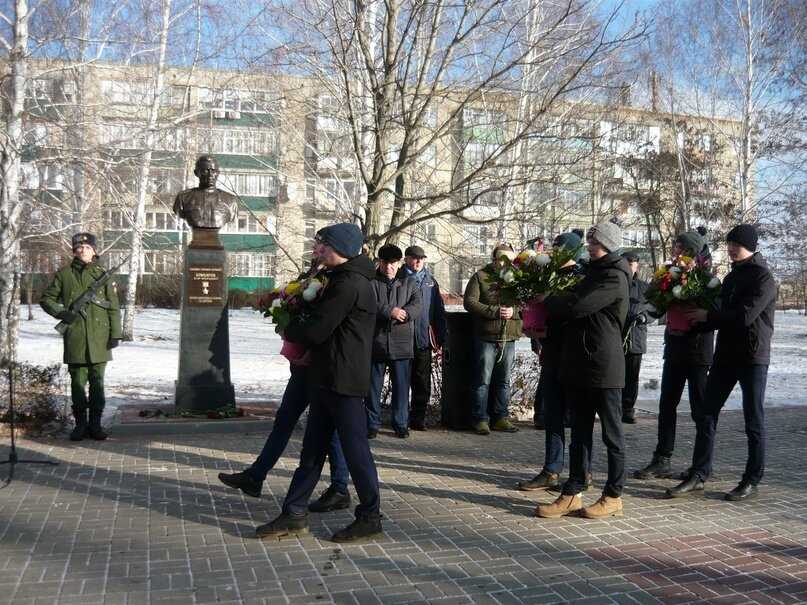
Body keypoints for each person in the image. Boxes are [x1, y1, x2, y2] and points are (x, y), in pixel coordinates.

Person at [255, 222, 383, 542]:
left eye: (322, 244)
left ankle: (370, 516)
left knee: (356, 451)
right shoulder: (339, 279)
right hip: (326, 376)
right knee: (312, 450)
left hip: (343, 380)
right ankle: (294, 513)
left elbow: (315, 331)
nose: (317, 249)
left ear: (338, 248)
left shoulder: (349, 284)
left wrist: (288, 324)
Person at [218, 240, 352, 514]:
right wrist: (281, 307)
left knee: (331, 428)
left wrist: (307, 345)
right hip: (304, 366)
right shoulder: (312, 277)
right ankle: (255, 476)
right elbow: (295, 303)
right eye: (316, 247)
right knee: (285, 420)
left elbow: (326, 326)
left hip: (322, 366)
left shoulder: (337, 281)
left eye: (321, 247)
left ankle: (340, 488)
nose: (316, 251)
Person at [666, 224, 776, 502]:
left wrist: (706, 317)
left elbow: (743, 317)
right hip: (726, 355)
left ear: (749, 246)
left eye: (734, 244)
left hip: (752, 357)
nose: (729, 249)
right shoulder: (730, 277)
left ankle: (752, 479)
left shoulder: (763, 279)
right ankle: (699, 473)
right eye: (728, 244)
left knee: (753, 419)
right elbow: (715, 314)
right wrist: (690, 323)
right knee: (706, 413)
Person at [535, 221, 631, 519]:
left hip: (604, 367)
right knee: (579, 432)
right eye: (589, 241)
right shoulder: (591, 271)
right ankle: (572, 492)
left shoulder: (614, 277)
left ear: (607, 245)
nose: (588, 246)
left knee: (612, 435)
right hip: (579, 363)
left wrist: (546, 299)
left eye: (593, 242)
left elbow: (577, 306)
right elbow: (570, 301)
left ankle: (614, 495)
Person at [633, 231, 714, 480]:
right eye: (675, 247)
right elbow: (660, 302)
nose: (675, 252)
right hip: (675, 347)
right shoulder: (670, 275)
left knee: (701, 410)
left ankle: (701, 466)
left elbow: (714, 313)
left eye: (680, 248)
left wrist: (698, 312)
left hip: (698, 350)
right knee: (667, 404)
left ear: (692, 252)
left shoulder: (707, 279)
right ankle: (662, 458)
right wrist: (647, 314)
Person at [517, 232, 591, 492]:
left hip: (574, 354)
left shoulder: (582, 276)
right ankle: (552, 469)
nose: (554, 252)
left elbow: (576, 314)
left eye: (559, 249)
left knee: (579, 418)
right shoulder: (549, 274)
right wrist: (534, 329)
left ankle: (583, 472)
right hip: (552, 352)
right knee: (552, 414)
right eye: (553, 248)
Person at [40, 232, 122, 441]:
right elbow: (46, 299)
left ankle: (95, 425)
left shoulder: (103, 275)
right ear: (74, 251)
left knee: (98, 384)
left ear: (94, 250)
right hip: (76, 337)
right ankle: (80, 425)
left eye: (87, 247)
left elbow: (113, 307)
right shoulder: (64, 275)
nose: (82, 250)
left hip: (100, 339)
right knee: (77, 384)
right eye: (79, 247)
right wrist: (61, 313)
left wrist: (116, 334)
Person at [464, 243, 523, 435]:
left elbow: (527, 305)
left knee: (504, 380)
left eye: (510, 260)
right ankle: (480, 418)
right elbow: (469, 302)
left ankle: (500, 417)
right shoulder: (480, 276)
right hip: (486, 336)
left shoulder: (518, 279)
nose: (506, 263)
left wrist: (514, 311)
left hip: (509, 338)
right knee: (482, 379)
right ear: (494, 259)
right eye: (502, 259)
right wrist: (494, 311)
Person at [366, 244, 422, 439]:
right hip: (376, 341)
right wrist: (390, 311)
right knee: (373, 386)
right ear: (379, 262)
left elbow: (417, 305)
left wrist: (405, 314)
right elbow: (368, 303)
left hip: (401, 341)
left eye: (393, 263)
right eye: (385, 263)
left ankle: (400, 423)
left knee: (401, 386)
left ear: (398, 263)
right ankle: (371, 423)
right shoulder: (371, 281)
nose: (389, 267)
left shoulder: (409, 281)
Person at [400, 245, 446, 431]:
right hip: (401, 339)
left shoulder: (430, 282)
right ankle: (401, 419)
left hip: (423, 340)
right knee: (402, 382)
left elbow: (438, 312)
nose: (418, 261)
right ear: (406, 259)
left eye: (421, 258)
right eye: (414, 258)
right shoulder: (398, 277)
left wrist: (441, 338)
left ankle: (418, 419)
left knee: (422, 382)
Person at [620, 251, 655, 424]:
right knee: (616, 375)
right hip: (616, 337)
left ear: (636, 267)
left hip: (636, 337)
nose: (629, 268)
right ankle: (613, 408)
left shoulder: (644, 287)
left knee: (631, 377)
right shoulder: (616, 283)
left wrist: (645, 318)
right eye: (626, 264)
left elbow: (656, 308)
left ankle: (627, 408)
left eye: (632, 265)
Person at [173, 155, 238, 230]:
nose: (210, 175)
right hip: (196, 239)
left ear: (218, 173)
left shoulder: (231, 199)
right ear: (196, 173)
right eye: (205, 170)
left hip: (216, 239)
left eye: (213, 171)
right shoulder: (183, 197)